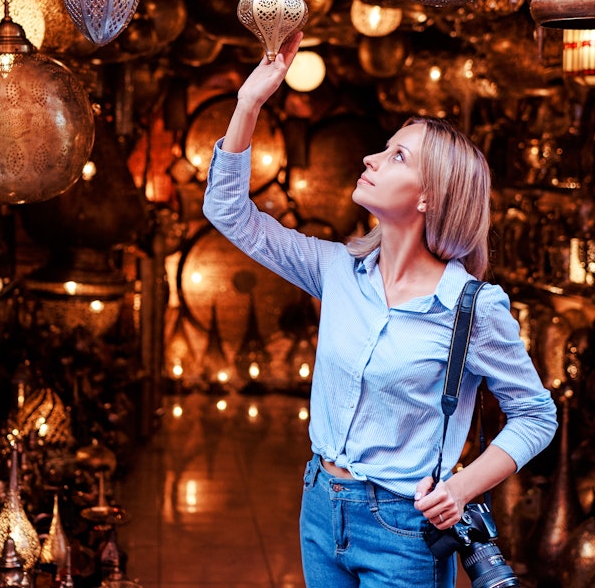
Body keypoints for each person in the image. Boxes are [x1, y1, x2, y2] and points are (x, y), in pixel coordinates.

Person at [202, 32, 557, 587]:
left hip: (403, 529)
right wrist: (249, 102)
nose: (370, 157)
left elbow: (536, 415)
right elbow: (228, 210)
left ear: (429, 197)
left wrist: (462, 489)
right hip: (320, 506)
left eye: (396, 156)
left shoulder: (472, 308)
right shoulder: (337, 270)